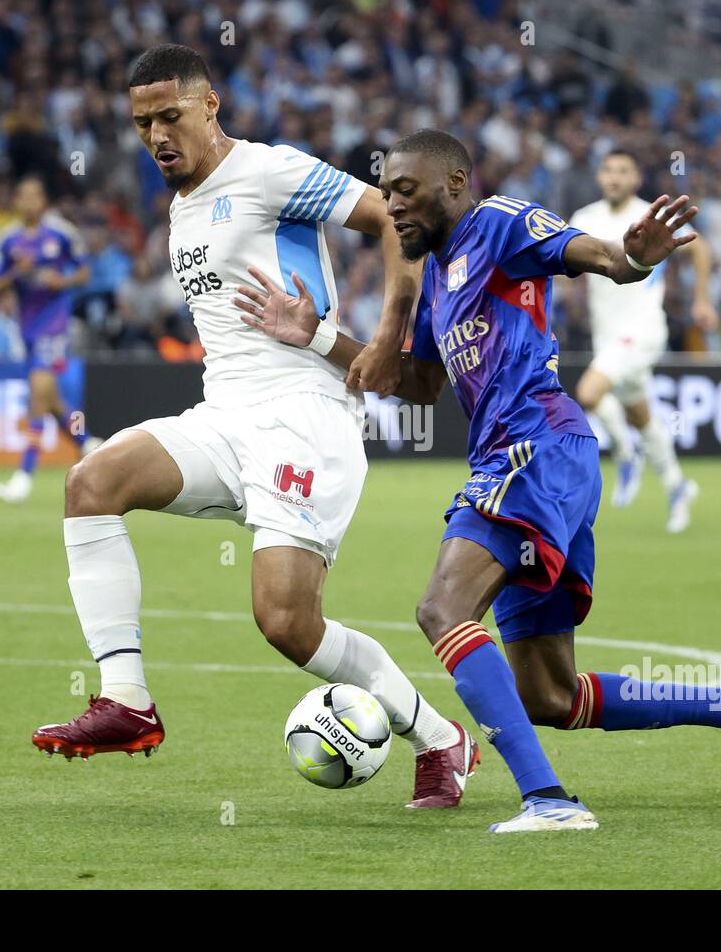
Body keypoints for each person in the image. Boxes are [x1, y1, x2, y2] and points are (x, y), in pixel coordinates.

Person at [235, 130, 721, 832]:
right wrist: (316, 333)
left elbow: (592, 253)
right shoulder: (437, 277)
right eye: (386, 194)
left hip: (536, 445)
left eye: (406, 191)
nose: (393, 207)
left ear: (455, 182)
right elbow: (412, 382)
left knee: (443, 609)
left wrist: (632, 260)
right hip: (527, 459)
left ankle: (549, 799)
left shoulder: (498, 223)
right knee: (549, 694)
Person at [31, 45, 477, 811]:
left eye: (170, 116)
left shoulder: (269, 171)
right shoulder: (179, 209)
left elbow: (394, 221)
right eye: (142, 123)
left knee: (286, 623)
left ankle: (440, 737)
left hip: (306, 416)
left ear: (212, 105)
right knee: (91, 481)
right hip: (225, 416)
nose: (157, 135)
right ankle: (127, 699)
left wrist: (385, 336)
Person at [570, 150, 717, 531]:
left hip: (644, 329)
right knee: (640, 415)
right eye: (608, 169)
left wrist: (701, 296)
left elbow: (699, 247)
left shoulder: (651, 215)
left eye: (623, 170)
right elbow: (564, 268)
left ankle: (624, 454)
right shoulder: (584, 219)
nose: (614, 177)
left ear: (636, 179)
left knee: (588, 394)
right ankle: (677, 486)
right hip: (606, 335)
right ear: (600, 176)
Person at [0, 175, 101, 504]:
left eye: (35, 195)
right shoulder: (8, 241)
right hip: (28, 328)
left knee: (38, 394)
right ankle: (88, 443)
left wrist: (61, 281)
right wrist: (15, 273)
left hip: (54, 326)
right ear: (16, 202)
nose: (29, 202)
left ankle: (24, 476)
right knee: (51, 402)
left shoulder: (61, 234)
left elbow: (84, 272)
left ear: (44, 201)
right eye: (22, 196)